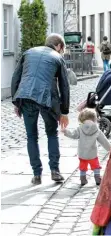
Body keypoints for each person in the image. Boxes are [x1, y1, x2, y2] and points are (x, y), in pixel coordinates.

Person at [11, 33, 70, 185]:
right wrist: (64, 111)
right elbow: (64, 86)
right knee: (51, 133)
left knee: (31, 136)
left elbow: (15, 78)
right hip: (47, 100)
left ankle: (37, 174)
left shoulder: (28, 52)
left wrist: (16, 102)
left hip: (26, 97)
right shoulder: (57, 58)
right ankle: (55, 171)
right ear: (59, 46)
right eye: (62, 49)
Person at [62, 108, 111, 186]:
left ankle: (83, 179)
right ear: (94, 118)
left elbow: (73, 135)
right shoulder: (96, 129)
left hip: (82, 154)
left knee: (83, 166)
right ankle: (97, 178)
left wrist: (66, 131)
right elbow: (103, 141)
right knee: (96, 166)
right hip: (92, 154)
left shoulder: (80, 128)